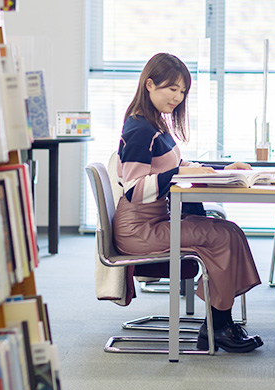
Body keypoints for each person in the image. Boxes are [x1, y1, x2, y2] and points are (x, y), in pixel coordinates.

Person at [111, 52, 263, 353]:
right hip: (139, 229)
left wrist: (221, 172)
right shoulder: (139, 130)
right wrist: (179, 172)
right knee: (221, 235)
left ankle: (219, 321)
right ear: (150, 85)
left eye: (182, 91)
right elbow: (133, 189)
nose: (178, 98)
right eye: (172, 89)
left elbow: (174, 164)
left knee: (227, 231)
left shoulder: (154, 125)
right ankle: (218, 326)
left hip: (155, 221)